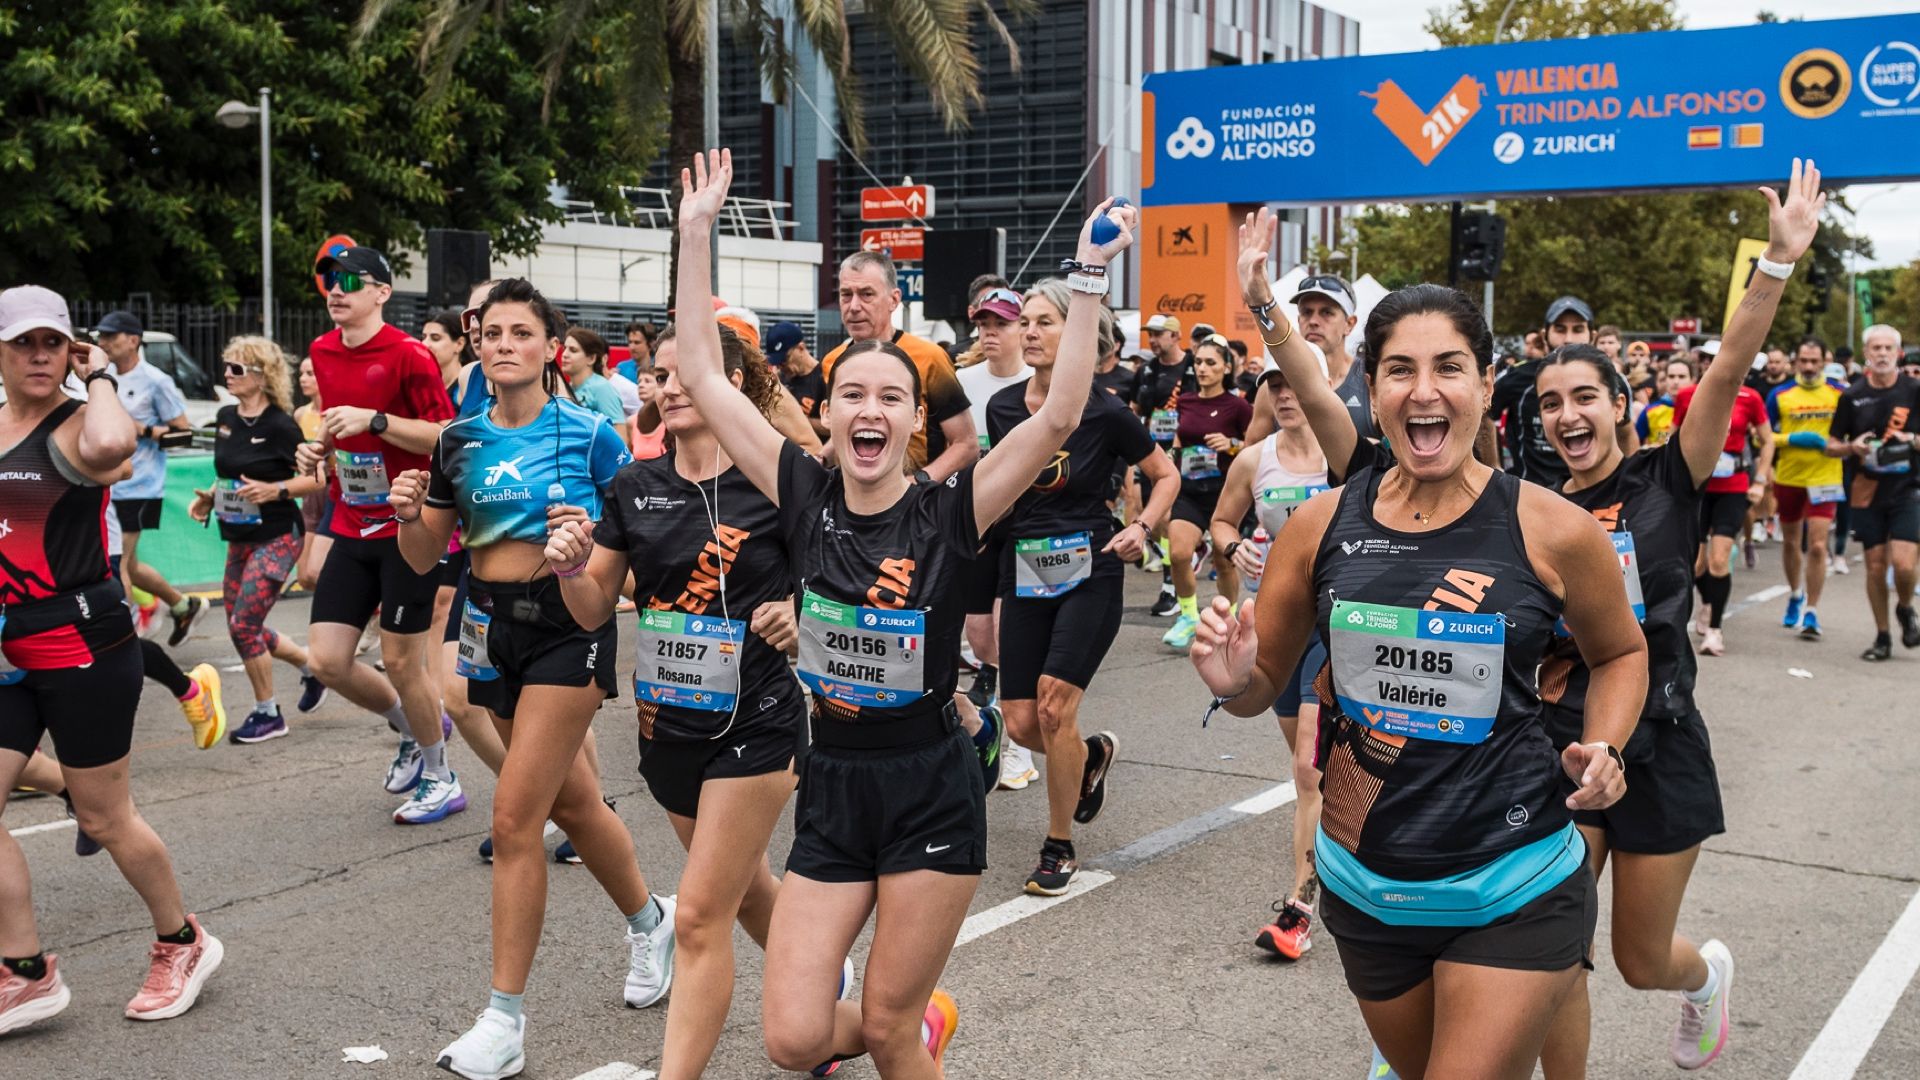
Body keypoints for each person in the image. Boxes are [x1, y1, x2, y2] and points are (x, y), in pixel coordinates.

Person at [672, 149, 1133, 1079]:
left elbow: (1058, 415)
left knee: (882, 1027)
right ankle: (920, 1024)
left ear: (910, 418)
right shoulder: (802, 493)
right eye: (853, 396)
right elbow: (707, 377)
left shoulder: (948, 509)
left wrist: (1085, 279)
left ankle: (907, 1030)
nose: (870, 409)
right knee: (794, 1040)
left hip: (930, 782)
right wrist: (693, 237)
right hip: (833, 784)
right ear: (831, 414)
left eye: (891, 397)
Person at [1191, 278, 1646, 1080]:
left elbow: (1621, 653)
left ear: (1483, 382)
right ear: (1371, 384)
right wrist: (1234, 681)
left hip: (1515, 878)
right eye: (1400, 369)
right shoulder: (1320, 524)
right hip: (1367, 884)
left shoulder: (1553, 528)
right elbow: (1262, 682)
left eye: (1449, 367)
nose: (1424, 390)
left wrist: (1603, 744)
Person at [1533, 158, 1820, 1077]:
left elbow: (1732, 358)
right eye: (1550, 404)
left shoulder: (1669, 474)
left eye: (1585, 397)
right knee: (1553, 951)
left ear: (1620, 406)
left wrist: (1776, 264)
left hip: (1659, 739)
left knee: (1637, 959)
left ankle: (1705, 980)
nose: (1568, 415)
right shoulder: (1528, 505)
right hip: (1555, 742)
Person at [387, 278, 672, 1079]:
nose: (503, 343)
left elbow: (631, 557)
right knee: (574, 804)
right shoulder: (457, 441)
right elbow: (422, 559)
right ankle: (652, 922)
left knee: (515, 820)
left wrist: (587, 552)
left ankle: (503, 1022)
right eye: (492, 332)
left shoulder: (590, 437)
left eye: (521, 332)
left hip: (568, 627)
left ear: (552, 348)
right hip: (487, 627)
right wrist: (412, 514)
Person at [548, 319, 811, 1079]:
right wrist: (569, 567)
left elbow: (840, 578)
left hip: (758, 720)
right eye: (658, 374)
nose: (667, 384)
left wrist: (801, 613)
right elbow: (596, 608)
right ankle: (820, 986)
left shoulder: (776, 479)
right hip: (667, 722)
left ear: (728, 379)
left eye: (683, 369)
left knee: (698, 916)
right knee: (746, 884)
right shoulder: (637, 484)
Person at [0, 286, 224, 1034]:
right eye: (23, 343)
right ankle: (25, 972)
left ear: (72, 349)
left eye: (52, 343)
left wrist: (96, 376)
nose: (39, 355)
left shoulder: (77, 423)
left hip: (83, 646)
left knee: (105, 814)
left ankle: (183, 941)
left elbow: (109, 449)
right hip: (8, 651)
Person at [988, 278, 1178, 897]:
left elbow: (1164, 473)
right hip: (1024, 570)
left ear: (1075, 334)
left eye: (1046, 322)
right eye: (1027, 322)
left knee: (1052, 704)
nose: (1032, 332)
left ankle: (1059, 843)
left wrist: (1143, 528)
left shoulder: (1105, 410)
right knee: (1020, 723)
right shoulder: (1004, 407)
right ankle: (1090, 757)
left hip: (1091, 567)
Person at [294, 245, 462, 821]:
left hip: (407, 524)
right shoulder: (320, 350)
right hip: (351, 520)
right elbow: (339, 432)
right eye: (327, 280)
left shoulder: (410, 355)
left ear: (382, 293)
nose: (335, 289)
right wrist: (319, 448)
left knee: (400, 660)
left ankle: (442, 776)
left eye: (349, 280)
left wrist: (378, 422)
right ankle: (415, 728)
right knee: (328, 661)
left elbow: (448, 435)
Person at [1207, 361, 1330, 960]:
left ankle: (1300, 908)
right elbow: (1222, 520)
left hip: (1337, 622)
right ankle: (1347, 843)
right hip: (1280, 625)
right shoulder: (1255, 460)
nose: (1283, 394)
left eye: (1292, 383)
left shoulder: (1345, 454)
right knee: (1312, 765)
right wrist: (1236, 550)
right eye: (1273, 386)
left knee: (1310, 769)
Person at [186, 337, 327, 742]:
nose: (227, 375)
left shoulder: (282, 425)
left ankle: (269, 713)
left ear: (262, 376)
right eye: (225, 366)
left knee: (244, 624)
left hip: (279, 535)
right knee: (240, 625)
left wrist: (275, 490)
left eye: (237, 369)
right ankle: (311, 668)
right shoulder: (227, 416)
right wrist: (211, 498)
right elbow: (229, 471)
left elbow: (316, 478)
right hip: (238, 535)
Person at [814, 251, 977, 480]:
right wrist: (821, 458)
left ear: (894, 299)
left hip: (914, 500)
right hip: (853, 498)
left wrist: (918, 484)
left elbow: (967, 444)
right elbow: (848, 427)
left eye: (866, 294)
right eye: (845, 295)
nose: (854, 306)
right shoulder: (833, 361)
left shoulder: (930, 358)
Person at [95, 310, 205, 646]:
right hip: (109, 483)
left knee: (119, 565)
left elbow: (183, 433)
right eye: (101, 336)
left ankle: (122, 642)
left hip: (140, 484)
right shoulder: (102, 378)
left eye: (111, 337)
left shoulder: (156, 380)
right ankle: (184, 605)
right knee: (133, 565)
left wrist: (140, 429)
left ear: (133, 340)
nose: (103, 343)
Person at [952, 287, 1030, 745]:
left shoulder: (1039, 383)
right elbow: (956, 450)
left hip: (1026, 524)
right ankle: (997, 681)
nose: (990, 333)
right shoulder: (964, 383)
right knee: (980, 635)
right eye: (984, 325)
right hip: (976, 518)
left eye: (1000, 324)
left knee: (1007, 628)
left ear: (1022, 328)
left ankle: (1015, 734)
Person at [1671, 345, 1775, 657]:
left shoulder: (1749, 397)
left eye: (1714, 360)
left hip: (1733, 486)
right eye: (1704, 360)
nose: (1709, 365)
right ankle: (1708, 602)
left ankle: (1715, 630)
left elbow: (1767, 440)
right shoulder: (1688, 395)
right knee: (1696, 563)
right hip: (1698, 487)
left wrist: (1760, 480)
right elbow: (1674, 439)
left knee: (1719, 559)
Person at [1828, 323, 1920, 661]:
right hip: (1865, 490)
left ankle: (1906, 607)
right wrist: (1852, 447)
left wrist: (1911, 440)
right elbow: (1831, 444)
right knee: (1876, 567)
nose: (1881, 354)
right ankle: (1882, 636)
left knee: (1905, 565)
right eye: (1875, 348)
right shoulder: (1852, 396)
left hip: (1907, 487)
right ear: (1866, 354)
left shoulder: (1914, 390)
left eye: (1887, 348)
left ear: (1897, 353)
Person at [1161, 334, 1253, 650]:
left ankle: (1226, 621)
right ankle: (1187, 615)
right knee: (1178, 553)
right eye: (1198, 362)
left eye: (1210, 363)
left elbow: (1255, 446)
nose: (1202, 368)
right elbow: (1177, 438)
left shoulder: (1238, 405)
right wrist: (1170, 465)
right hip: (1188, 490)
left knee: (1223, 561)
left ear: (1226, 367)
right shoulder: (1185, 400)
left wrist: (1232, 445)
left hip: (1223, 493)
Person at [1491, 296, 1632, 488]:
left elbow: (1626, 432)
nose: (1568, 339)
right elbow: (1485, 412)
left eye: (1585, 397)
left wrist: (1631, 480)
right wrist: (1493, 466)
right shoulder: (1517, 377)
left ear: (1593, 336)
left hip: (1596, 496)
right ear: (1544, 334)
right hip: (1533, 498)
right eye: (1551, 403)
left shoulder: (1613, 380)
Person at [1768, 336, 1846, 638]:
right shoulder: (1780, 394)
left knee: (1816, 545)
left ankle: (1812, 611)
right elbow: (1762, 436)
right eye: (1805, 361)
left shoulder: (1840, 393)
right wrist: (1792, 439)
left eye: (1816, 361)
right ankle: (1795, 593)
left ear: (1825, 361)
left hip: (1825, 477)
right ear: (1795, 361)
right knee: (1790, 543)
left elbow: (1851, 432)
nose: (1810, 366)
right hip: (1789, 476)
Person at [1134, 312, 1197, 618]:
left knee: (1171, 517)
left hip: (1186, 455)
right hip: (1152, 453)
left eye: (1159, 334)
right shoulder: (1146, 370)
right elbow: (1135, 409)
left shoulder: (1194, 367)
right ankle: (1174, 569)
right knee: (1157, 520)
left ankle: (1172, 585)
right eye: (1150, 334)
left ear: (1175, 336)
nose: (1153, 339)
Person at [294, 356, 333, 592]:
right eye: (301, 373)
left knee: (315, 571)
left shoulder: (335, 414)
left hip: (333, 491)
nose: (303, 379)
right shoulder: (301, 414)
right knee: (305, 577)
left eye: (310, 373)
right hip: (310, 494)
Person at [561, 328, 629, 426]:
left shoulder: (602, 388)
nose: (564, 355)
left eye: (573, 350)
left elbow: (619, 434)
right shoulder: (568, 387)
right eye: (564, 348)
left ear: (591, 358)